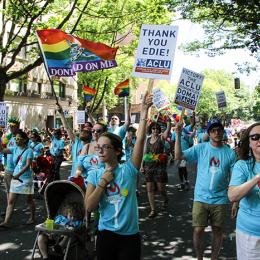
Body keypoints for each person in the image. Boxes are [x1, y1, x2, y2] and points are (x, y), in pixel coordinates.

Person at [85, 92, 153, 260]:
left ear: (116, 150)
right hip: (105, 235)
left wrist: (144, 113)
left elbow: (140, 140)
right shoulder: (94, 175)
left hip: (130, 236)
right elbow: (89, 207)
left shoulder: (129, 170)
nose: (100, 150)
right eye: (98, 146)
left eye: (105, 147)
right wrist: (102, 183)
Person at [174, 119, 237, 260]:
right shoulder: (200, 148)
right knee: (198, 230)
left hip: (220, 199)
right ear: (209, 133)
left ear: (222, 131)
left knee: (217, 230)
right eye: (213, 130)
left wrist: (235, 201)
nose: (217, 132)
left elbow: (234, 180)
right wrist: (177, 135)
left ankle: (214, 258)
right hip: (200, 198)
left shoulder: (230, 153)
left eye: (219, 129)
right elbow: (178, 156)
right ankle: (199, 258)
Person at [228, 122, 260, 260]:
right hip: (251, 235)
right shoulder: (242, 165)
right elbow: (232, 195)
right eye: (256, 137)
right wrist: (257, 178)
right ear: (249, 142)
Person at [0, 130, 35, 229]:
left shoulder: (29, 151)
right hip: (16, 179)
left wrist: (18, 174)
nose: (16, 140)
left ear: (24, 140)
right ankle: (6, 222)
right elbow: (2, 150)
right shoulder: (15, 149)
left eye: (18, 139)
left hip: (26, 179)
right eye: (15, 138)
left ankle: (32, 217)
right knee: (11, 201)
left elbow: (28, 166)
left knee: (29, 200)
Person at [142, 119, 171, 217]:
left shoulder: (161, 138)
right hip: (148, 166)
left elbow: (167, 131)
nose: (155, 130)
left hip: (160, 166)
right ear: (151, 129)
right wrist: (142, 165)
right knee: (149, 189)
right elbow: (145, 154)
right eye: (153, 128)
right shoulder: (147, 139)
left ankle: (165, 199)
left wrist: (168, 122)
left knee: (160, 188)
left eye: (157, 128)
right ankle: (153, 210)